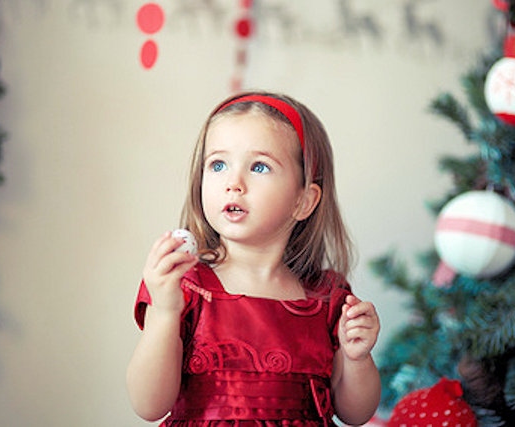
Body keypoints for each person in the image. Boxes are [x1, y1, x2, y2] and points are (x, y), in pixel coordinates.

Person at [126, 91, 381, 426]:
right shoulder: (184, 286)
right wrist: (165, 312)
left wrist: (358, 358)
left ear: (303, 201)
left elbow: (355, 414)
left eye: (259, 166)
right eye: (218, 164)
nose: (234, 183)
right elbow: (148, 405)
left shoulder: (327, 298)